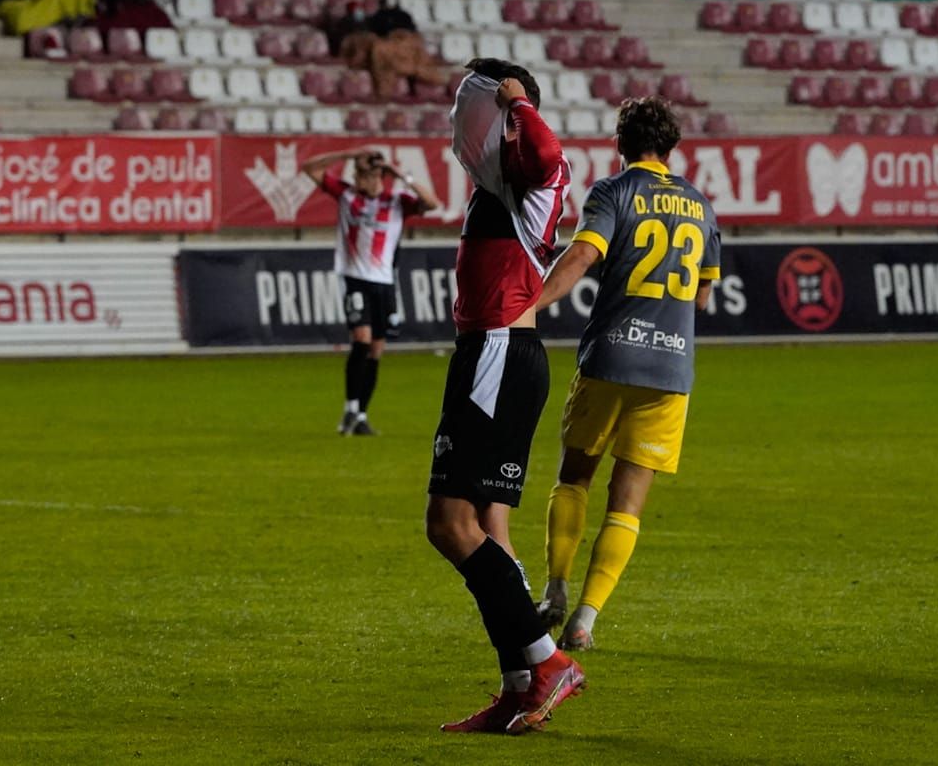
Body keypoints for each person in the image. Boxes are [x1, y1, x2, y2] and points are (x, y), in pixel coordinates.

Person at [426, 59, 586, 735]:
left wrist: (518, 100)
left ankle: (548, 664)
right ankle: (519, 683)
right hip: (492, 352)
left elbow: (550, 151)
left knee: (450, 524)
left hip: (499, 350)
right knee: (486, 528)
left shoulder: (531, 171)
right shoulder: (500, 179)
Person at [533, 97, 721, 651]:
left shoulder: (614, 192)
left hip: (611, 356)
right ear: (672, 147)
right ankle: (586, 620)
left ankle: (556, 589)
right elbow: (703, 296)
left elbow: (581, 257)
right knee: (628, 502)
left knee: (574, 477)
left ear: (621, 144)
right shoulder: (701, 205)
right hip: (669, 368)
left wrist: (530, 305)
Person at [299, 148, 439, 436]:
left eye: (365, 173)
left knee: (376, 350)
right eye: (358, 173)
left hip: (384, 283)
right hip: (354, 279)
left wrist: (402, 175)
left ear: (380, 176)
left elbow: (432, 203)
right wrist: (347, 155)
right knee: (361, 340)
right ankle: (351, 407)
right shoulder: (347, 195)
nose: (359, 178)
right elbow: (309, 167)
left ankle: (360, 415)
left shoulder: (397, 202)